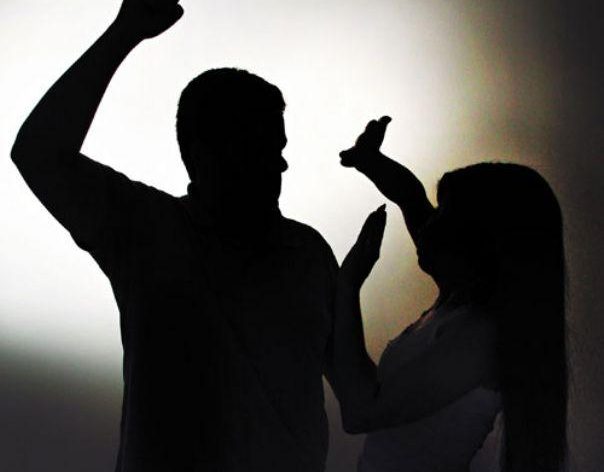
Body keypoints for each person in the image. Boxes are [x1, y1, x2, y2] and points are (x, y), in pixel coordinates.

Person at [11, 1, 338, 471]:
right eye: (260, 148)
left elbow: (358, 393)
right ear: (203, 155)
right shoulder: (147, 229)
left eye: (279, 147)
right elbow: (38, 152)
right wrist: (125, 32)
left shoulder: (310, 253)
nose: (280, 164)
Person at [329, 116, 568, 471]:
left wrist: (346, 287)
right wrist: (371, 161)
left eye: (445, 213)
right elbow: (411, 198)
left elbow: (361, 412)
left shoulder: (478, 335)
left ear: (479, 242)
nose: (430, 222)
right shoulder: (459, 300)